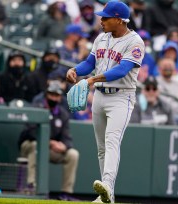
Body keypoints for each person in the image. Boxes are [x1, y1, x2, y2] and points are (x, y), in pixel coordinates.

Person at [66, 1, 145, 203]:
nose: (101, 20)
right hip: (100, 97)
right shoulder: (101, 37)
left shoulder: (135, 41)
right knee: (101, 147)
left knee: (112, 140)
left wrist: (92, 79)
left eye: (106, 17)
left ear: (119, 20)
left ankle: (108, 186)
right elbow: (89, 63)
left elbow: (121, 70)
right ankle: (106, 196)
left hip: (121, 96)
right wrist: (76, 70)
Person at [18, 81, 79, 201]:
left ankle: (66, 194)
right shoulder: (37, 108)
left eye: (56, 95)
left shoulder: (63, 114)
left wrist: (64, 146)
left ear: (60, 97)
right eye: (51, 94)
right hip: (29, 145)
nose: (54, 98)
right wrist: (50, 142)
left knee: (73, 154)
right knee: (36, 145)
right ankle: (31, 187)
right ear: (46, 95)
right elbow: (30, 132)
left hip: (50, 150)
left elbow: (67, 138)